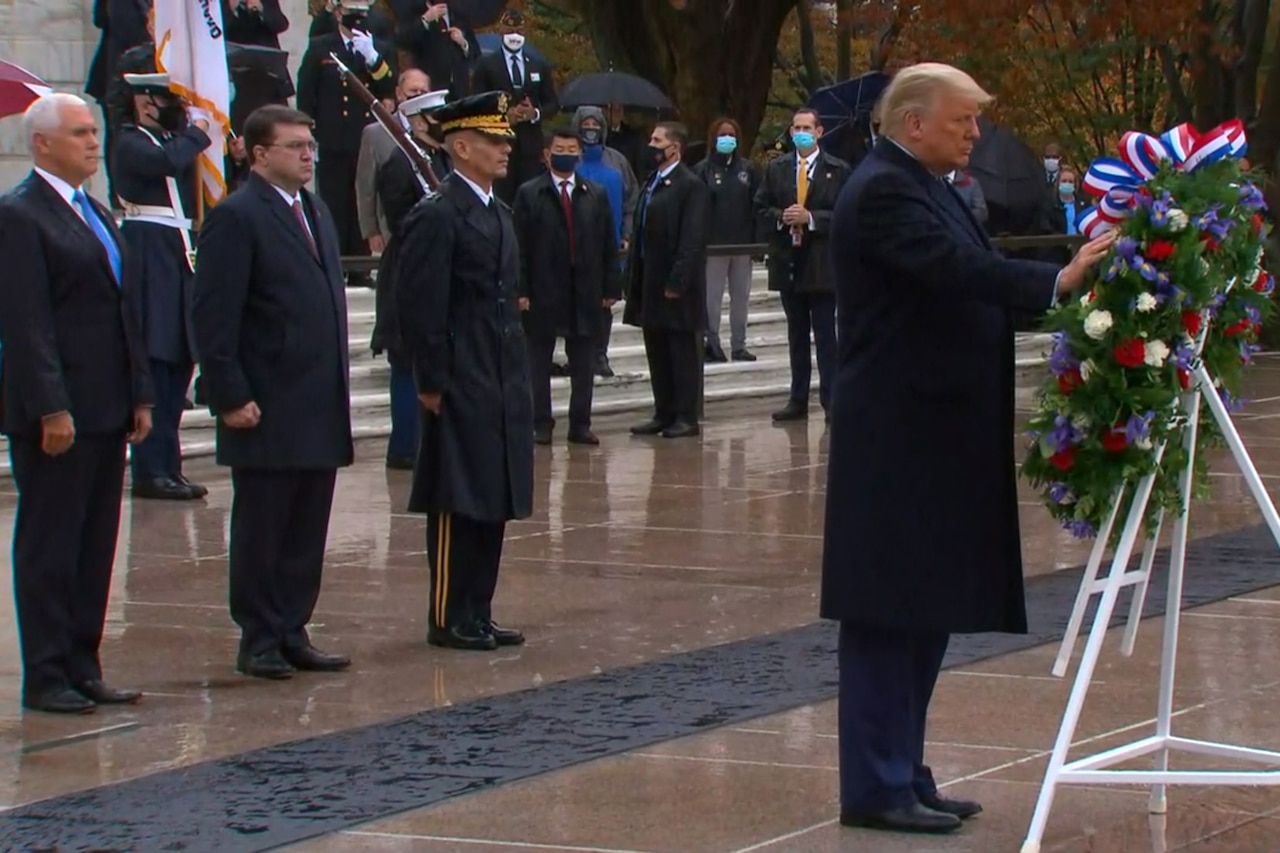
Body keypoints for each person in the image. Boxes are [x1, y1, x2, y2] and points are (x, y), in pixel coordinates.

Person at [821, 62, 1115, 835]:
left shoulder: (928, 185)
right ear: (913, 122)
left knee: (924, 607)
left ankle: (903, 770)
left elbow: (964, 279)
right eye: (963, 121)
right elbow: (958, 272)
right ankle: (877, 783)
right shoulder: (885, 189)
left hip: (932, 434)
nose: (975, 134)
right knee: (889, 612)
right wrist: (1060, 281)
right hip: (897, 437)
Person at [0, 93, 153, 714]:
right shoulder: (20, 215)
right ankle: (47, 673)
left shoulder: (93, 211)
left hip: (107, 404)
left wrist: (140, 394)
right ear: (42, 143)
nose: (94, 142)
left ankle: (84, 662)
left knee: (95, 542)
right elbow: (27, 321)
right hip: (59, 414)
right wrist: (50, 407)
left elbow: (122, 311)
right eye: (80, 132)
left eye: (94, 131)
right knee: (52, 541)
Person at [191, 104, 355, 680]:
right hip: (266, 399)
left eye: (310, 145)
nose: (309, 154)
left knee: (307, 522)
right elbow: (214, 313)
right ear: (260, 155)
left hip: (317, 396)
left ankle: (292, 625)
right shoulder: (238, 215)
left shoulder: (315, 209)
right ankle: (259, 634)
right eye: (295, 146)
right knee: (265, 524)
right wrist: (228, 392)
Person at [395, 91, 533, 651]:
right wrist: (430, 380)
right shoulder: (438, 214)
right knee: (458, 496)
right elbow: (421, 306)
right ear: (460, 146)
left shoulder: (497, 213)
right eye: (493, 141)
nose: (505, 149)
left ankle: (479, 607)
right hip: (460, 370)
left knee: (491, 493)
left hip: (499, 370)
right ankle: (450, 612)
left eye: (505, 140)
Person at [111, 53, 213, 501]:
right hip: (150, 245)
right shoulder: (129, 141)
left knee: (176, 364)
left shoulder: (167, 139)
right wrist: (196, 133)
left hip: (177, 250)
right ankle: (150, 471)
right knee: (155, 361)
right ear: (144, 101)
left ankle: (169, 466)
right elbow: (168, 163)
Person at [514, 128, 619, 446]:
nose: (566, 153)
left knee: (584, 362)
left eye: (572, 148)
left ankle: (580, 423)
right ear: (547, 154)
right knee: (538, 361)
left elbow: (607, 244)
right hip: (544, 288)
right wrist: (521, 289)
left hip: (585, 288)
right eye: (559, 148)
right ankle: (540, 422)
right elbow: (520, 246)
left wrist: (610, 286)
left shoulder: (594, 193)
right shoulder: (530, 193)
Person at [371, 87, 452, 470]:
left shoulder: (438, 159)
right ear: (420, 120)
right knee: (405, 364)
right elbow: (401, 221)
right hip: (407, 270)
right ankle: (405, 446)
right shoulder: (400, 163)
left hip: (435, 267)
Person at [755, 107, 851, 424]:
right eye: (796, 127)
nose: (800, 132)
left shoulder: (837, 170)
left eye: (807, 127)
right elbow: (759, 207)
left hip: (822, 264)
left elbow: (848, 215)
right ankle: (798, 398)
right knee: (796, 336)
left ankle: (832, 401)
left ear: (819, 131)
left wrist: (811, 219)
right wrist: (781, 218)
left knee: (826, 337)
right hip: (788, 262)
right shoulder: (777, 169)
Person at [296, 0, 397, 288]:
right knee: (334, 201)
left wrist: (373, 59)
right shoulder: (320, 47)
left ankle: (360, 266)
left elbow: (389, 88)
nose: (356, 21)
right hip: (333, 136)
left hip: (365, 137)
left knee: (362, 199)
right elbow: (307, 92)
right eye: (351, 14)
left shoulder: (379, 48)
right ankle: (335, 261)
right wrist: (308, 132)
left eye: (361, 15)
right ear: (338, 13)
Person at [624, 122, 709, 440]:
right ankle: (664, 411)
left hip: (677, 285)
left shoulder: (690, 185)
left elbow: (692, 238)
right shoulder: (652, 182)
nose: (651, 144)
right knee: (657, 348)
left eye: (657, 139)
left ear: (675, 147)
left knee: (681, 350)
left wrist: (678, 279)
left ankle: (685, 415)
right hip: (650, 277)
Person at [571, 106, 638, 379]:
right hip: (573, 244)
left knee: (605, 301)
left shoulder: (617, 161)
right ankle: (579, 355)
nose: (591, 128)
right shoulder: (569, 158)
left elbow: (632, 199)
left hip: (610, 245)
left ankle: (600, 353)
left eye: (595, 123)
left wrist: (627, 233)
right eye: (585, 123)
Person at [469, 9, 558, 203]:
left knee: (532, 200)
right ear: (501, 31)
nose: (514, 36)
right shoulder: (486, 64)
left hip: (531, 148)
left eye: (518, 31)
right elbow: (476, 102)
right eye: (510, 31)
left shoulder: (538, 65)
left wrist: (534, 113)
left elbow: (552, 103)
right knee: (502, 200)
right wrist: (503, 115)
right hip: (499, 144)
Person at [693, 116, 761, 363]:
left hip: (742, 245)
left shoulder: (748, 169)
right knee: (712, 297)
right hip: (713, 247)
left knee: (740, 297)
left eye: (731, 135)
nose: (727, 139)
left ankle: (739, 345)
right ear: (713, 138)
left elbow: (757, 205)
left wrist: (757, 243)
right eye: (722, 134)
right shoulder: (702, 170)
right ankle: (711, 343)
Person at [355, 68, 432, 261]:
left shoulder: (437, 133)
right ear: (399, 93)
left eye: (423, 92)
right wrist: (371, 231)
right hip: (391, 229)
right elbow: (366, 186)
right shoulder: (375, 133)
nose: (418, 97)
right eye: (413, 91)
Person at [393, 1, 480, 99]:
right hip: (429, 88)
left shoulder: (458, 14)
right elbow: (403, 41)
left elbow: (476, 53)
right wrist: (425, 20)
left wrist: (463, 43)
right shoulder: (414, 12)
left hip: (459, 90)